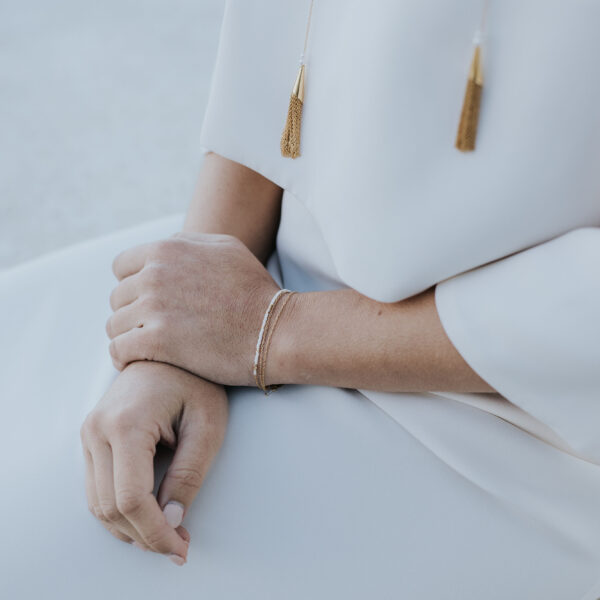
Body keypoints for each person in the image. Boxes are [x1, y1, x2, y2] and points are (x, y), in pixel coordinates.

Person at [3, 1, 600, 598]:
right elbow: (276, 52)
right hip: (262, 282)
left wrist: (270, 328)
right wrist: (172, 340)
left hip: (508, 428)